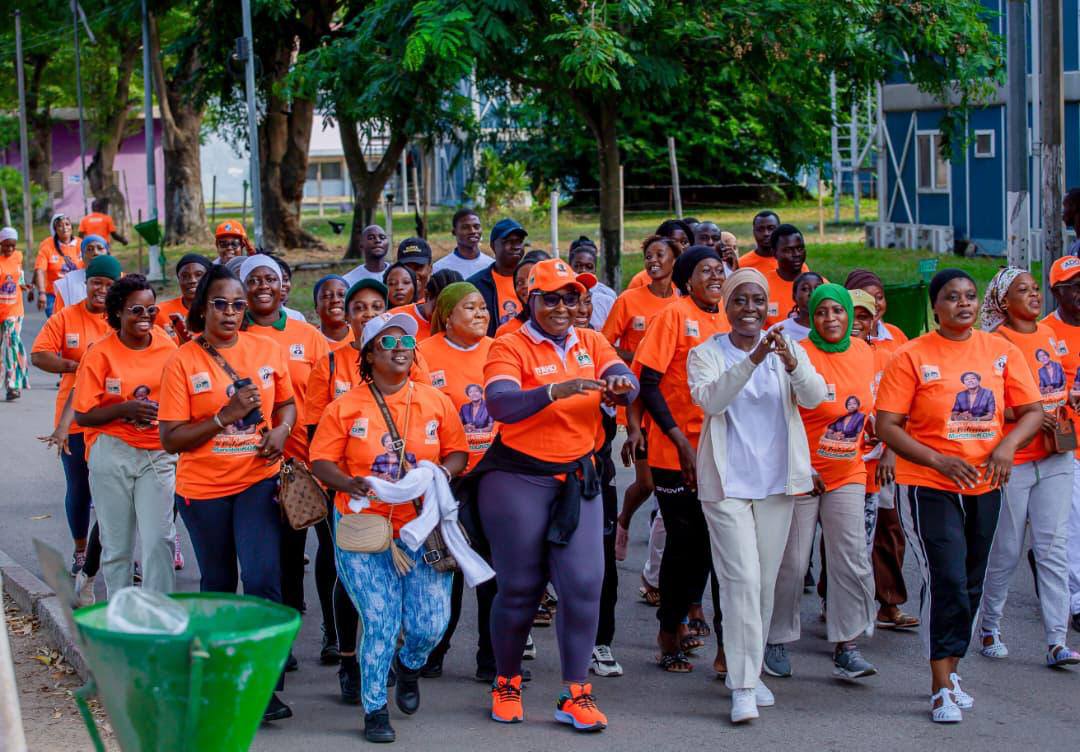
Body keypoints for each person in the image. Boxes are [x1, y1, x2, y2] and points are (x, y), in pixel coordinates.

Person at [875, 268, 1044, 724]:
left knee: (970, 581)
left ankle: (954, 671)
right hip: (929, 484)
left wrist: (1007, 447)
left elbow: (1032, 412)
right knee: (946, 578)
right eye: (952, 297)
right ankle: (939, 686)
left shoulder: (1000, 352)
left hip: (985, 484)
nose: (963, 304)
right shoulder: (910, 355)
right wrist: (938, 461)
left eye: (970, 296)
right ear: (936, 307)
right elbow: (886, 425)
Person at [475, 257, 636, 731]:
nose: (564, 307)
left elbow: (622, 382)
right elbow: (500, 403)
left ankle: (575, 693)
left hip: (579, 477)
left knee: (585, 585)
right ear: (532, 300)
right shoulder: (509, 344)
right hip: (518, 478)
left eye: (573, 297)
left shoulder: (592, 340)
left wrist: (620, 386)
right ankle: (506, 681)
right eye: (553, 298)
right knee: (521, 587)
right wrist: (555, 390)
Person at [311, 312, 469, 743]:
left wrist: (442, 477)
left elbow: (457, 451)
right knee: (380, 619)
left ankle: (410, 666)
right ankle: (375, 707)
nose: (401, 349)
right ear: (368, 355)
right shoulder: (344, 407)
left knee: (430, 624)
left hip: (421, 528)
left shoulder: (435, 401)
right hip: (365, 528)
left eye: (407, 343)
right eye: (388, 343)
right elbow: (320, 461)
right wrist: (346, 481)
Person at [158, 263, 297, 723]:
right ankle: (217, 681)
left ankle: (262, 686)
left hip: (257, 480)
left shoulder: (267, 347)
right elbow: (171, 439)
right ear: (203, 308)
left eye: (238, 305)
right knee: (218, 584)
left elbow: (289, 401)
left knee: (262, 579)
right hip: (203, 491)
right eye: (220, 304)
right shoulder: (183, 360)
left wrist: (281, 430)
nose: (232, 313)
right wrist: (223, 416)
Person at [686, 266, 826, 723]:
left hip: (776, 483)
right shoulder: (706, 353)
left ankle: (753, 667)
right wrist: (751, 359)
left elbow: (814, 397)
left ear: (769, 307)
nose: (749, 310)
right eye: (739, 301)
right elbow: (710, 402)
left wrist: (787, 360)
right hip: (726, 486)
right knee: (740, 579)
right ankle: (742, 685)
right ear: (725, 307)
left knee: (764, 582)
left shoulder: (789, 348)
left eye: (757, 301)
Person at [765, 284, 878, 682]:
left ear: (850, 315)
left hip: (848, 470)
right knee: (793, 562)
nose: (831, 319)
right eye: (822, 312)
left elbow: (872, 407)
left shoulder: (865, 353)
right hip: (801, 474)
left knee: (851, 556)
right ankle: (776, 636)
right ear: (810, 317)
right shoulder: (797, 357)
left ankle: (847, 644)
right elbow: (777, 421)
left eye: (838, 311)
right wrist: (799, 466)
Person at [976, 267, 1080, 667]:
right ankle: (990, 626)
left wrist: (1068, 404)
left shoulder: (1049, 335)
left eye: (1036, 288)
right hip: (1013, 462)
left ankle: (1057, 641)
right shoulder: (993, 344)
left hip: (1056, 454)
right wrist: (1030, 416)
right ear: (1004, 302)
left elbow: (1056, 387)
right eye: (1023, 290)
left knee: (1053, 547)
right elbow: (985, 404)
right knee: (1005, 551)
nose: (1034, 295)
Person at [633, 246, 729, 675]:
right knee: (683, 541)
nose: (715, 276)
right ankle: (668, 629)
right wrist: (676, 438)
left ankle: (696, 615)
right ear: (687, 279)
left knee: (712, 544)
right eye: (705, 271)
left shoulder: (731, 316)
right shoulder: (672, 315)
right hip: (675, 452)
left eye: (719, 269)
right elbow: (648, 383)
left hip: (722, 451)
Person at [239, 255, 329, 651]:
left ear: (283, 287)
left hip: (310, 458)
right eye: (254, 280)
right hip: (258, 462)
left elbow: (328, 394)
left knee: (315, 551)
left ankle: (324, 634)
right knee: (275, 556)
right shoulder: (231, 336)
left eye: (270, 279)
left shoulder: (306, 335)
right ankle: (279, 640)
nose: (262, 286)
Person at [72, 274, 177, 596]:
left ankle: (159, 613)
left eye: (150, 310)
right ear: (118, 311)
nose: (145, 318)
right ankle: (122, 615)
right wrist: (124, 409)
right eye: (136, 311)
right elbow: (83, 415)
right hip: (112, 451)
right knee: (117, 544)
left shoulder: (166, 345)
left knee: (159, 539)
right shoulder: (100, 353)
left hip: (158, 453)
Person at [416, 281, 498, 679]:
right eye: (470, 307)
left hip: (496, 475)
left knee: (491, 567)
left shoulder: (499, 350)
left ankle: (491, 656)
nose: (481, 313)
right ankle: (433, 650)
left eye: (483, 306)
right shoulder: (424, 355)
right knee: (445, 568)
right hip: (446, 479)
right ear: (447, 316)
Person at [31, 255, 118, 574]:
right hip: (74, 419)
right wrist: (77, 366)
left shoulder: (121, 319)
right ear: (86, 283)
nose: (102, 289)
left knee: (117, 490)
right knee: (80, 487)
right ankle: (82, 550)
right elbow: (39, 356)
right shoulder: (66, 317)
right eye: (97, 282)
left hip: (115, 419)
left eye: (110, 285)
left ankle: (118, 551)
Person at [601, 235, 681, 576]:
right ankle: (624, 519)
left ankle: (658, 573)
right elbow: (603, 346)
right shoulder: (629, 300)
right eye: (648, 255)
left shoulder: (683, 302)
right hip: (640, 403)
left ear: (675, 259)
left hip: (674, 404)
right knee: (647, 483)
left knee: (671, 492)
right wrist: (639, 361)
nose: (652, 261)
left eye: (660, 255)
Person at [845, 269, 916, 629]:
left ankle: (888, 602)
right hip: (844, 458)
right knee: (844, 534)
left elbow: (904, 401)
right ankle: (837, 603)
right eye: (861, 299)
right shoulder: (839, 342)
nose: (873, 305)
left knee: (887, 528)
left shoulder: (897, 339)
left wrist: (891, 449)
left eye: (879, 297)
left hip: (884, 455)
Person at [1041, 256, 1080, 634]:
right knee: (1072, 526)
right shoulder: (1045, 334)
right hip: (1068, 444)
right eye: (1074, 286)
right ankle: (1076, 600)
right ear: (1057, 292)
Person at [467, 218, 527, 337]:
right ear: (493, 246)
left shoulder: (534, 280)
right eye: (509, 241)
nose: (516, 247)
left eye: (519, 241)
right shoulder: (475, 285)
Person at [390, 268, 463, 342]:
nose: (445, 318)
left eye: (452, 311)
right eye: (440, 309)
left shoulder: (467, 323)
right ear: (427, 295)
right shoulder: (395, 319)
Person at [845, 269, 909, 351]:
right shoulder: (848, 338)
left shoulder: (895, 333)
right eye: (867, 298)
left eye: (879, 297)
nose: (875, 304)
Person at [155, 254, 212, 343]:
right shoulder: (160, 311)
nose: (192, 280)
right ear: (179, 279)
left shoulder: (218, 311)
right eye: (185, 276)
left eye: (199, 275)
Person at [0, 227, 29, 401]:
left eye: (12, 245)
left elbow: (20, 276)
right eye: (6, 245)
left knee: (11, 344)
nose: (10, 249)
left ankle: (13, 385)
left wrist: (24, 285)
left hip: (15, 310)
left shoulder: (18, 256)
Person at [494, 250, 550, 338]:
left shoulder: (562, 321)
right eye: (520, 282)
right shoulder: (506, 331)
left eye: (531, 279)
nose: (525, 286)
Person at [761, 224, 810, 326]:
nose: (796, 254)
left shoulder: (818, 285)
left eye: (800, 248)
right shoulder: (762, 286)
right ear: (774, 253)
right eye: (788, 250)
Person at [34, 213, 81, 316]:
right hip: (53, 296)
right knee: (57, 328)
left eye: (67, 224)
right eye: (60, 225)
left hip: (76, 295)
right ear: (55, 229)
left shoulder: (81, 244)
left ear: (71, 227)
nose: (64, 228)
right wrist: (42, 293)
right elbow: (40, 270)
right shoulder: (47, 246)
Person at [53, 235, 112, 313]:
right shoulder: (67, 284)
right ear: (83, 257)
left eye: (100, 248)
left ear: (108, 254)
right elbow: (57, 319)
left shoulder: (121, 280)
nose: (95, 252)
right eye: (89, 249)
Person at [567, 238, 616, 329]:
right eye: (577, 265)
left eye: (589, 267)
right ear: (569, 266)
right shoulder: (560, 297)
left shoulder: (607, 299)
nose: (583, 270)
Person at [433, 210, 493, 278]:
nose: (473, 231)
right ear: (454, 232)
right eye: (465, 227)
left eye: (476, 227)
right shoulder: (439, 268)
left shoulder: (491, 265)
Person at [768, 271, 824, 342]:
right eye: (805, 289)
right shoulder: (780, 331)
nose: (812, 293)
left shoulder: (832, 328)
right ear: (794, 297)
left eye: (817, 288)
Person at [313, 274, 350, 345]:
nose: (335, 300)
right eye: (327, 296)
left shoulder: (362, 339)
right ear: (316, 307)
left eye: (342, 295)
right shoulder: (307, 341)